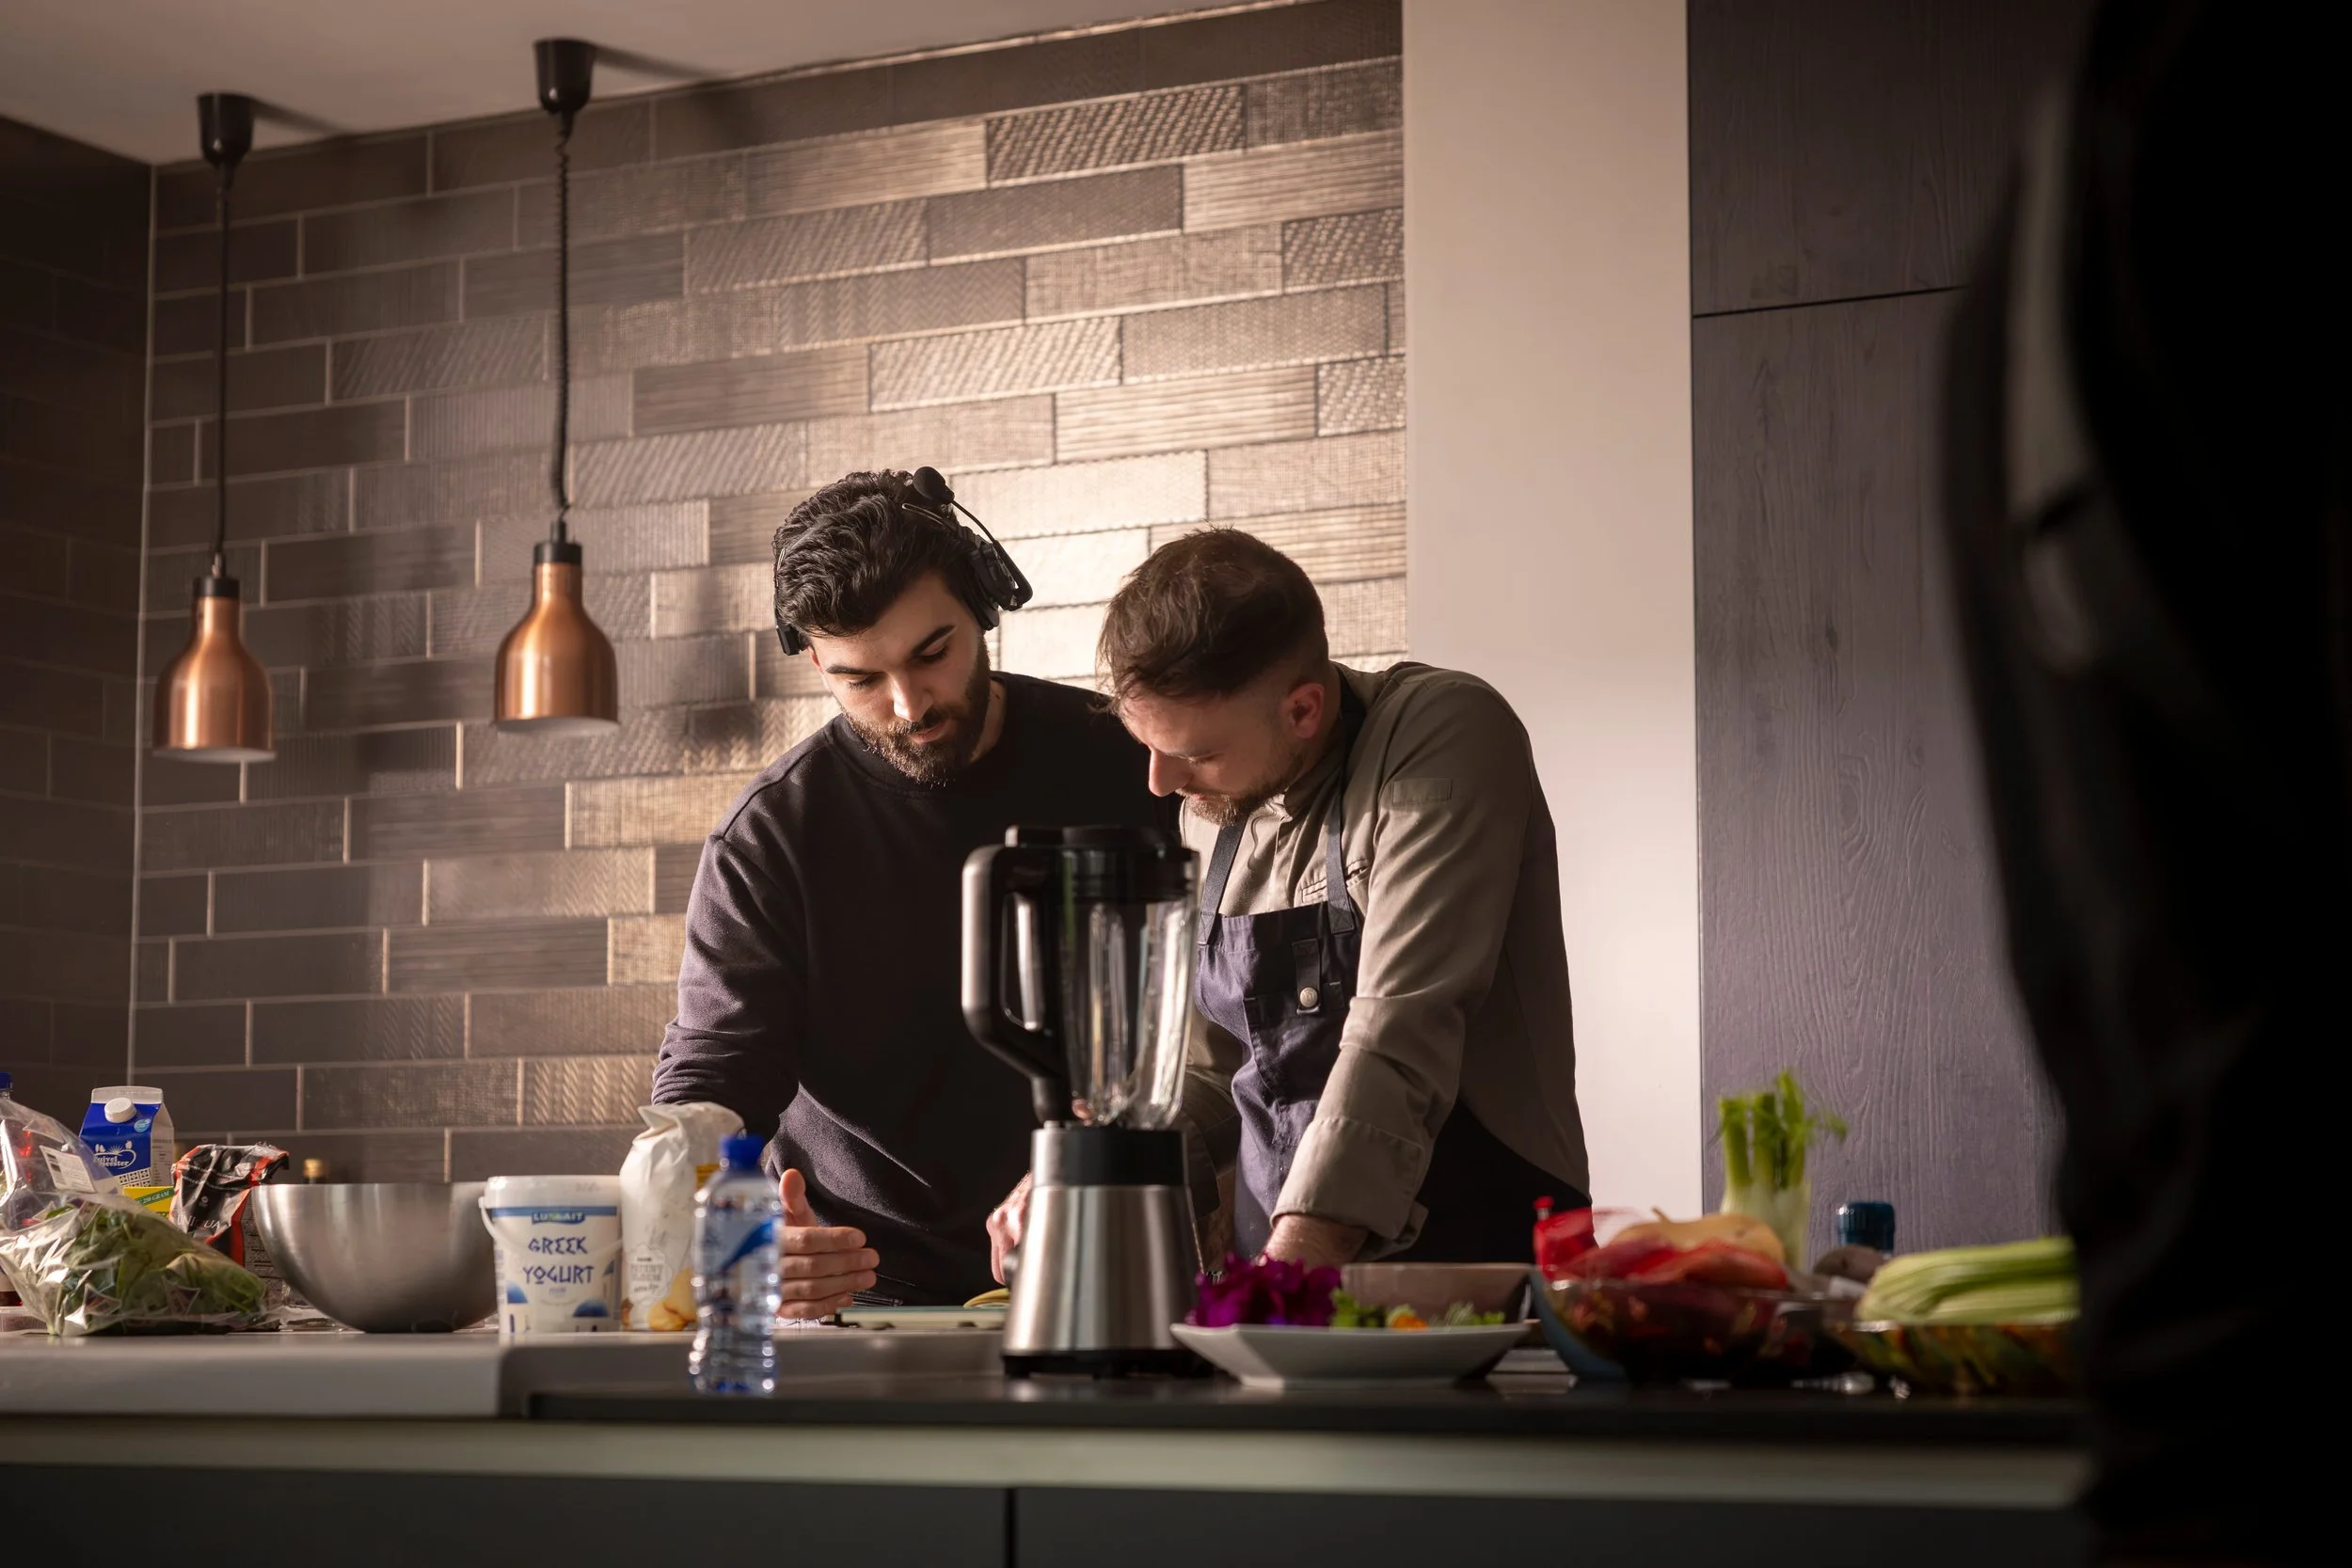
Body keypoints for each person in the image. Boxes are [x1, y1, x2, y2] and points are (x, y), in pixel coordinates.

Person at [991, 530, 1590, 1275]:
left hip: (1479, 1259)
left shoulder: (1447, 732)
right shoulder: (1207, 806)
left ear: (1304, 709)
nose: (1159, 781)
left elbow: (1402, 1027)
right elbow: (1212, 1073)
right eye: (1149, 745)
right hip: (1280, 1266)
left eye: (1196, 753)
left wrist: (1290, 1275)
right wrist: (1088, 1171)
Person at [652, 468, 1171, 1315]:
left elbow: (1210, 1034)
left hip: (1112, 1270)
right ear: (814, 658)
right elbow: (715, 1073)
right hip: (866, 1293)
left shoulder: (1134, 767)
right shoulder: (770, 837)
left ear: (982, 603)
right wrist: (732, 1236)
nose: (907, 703)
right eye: (860, 678)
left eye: (933, 653)